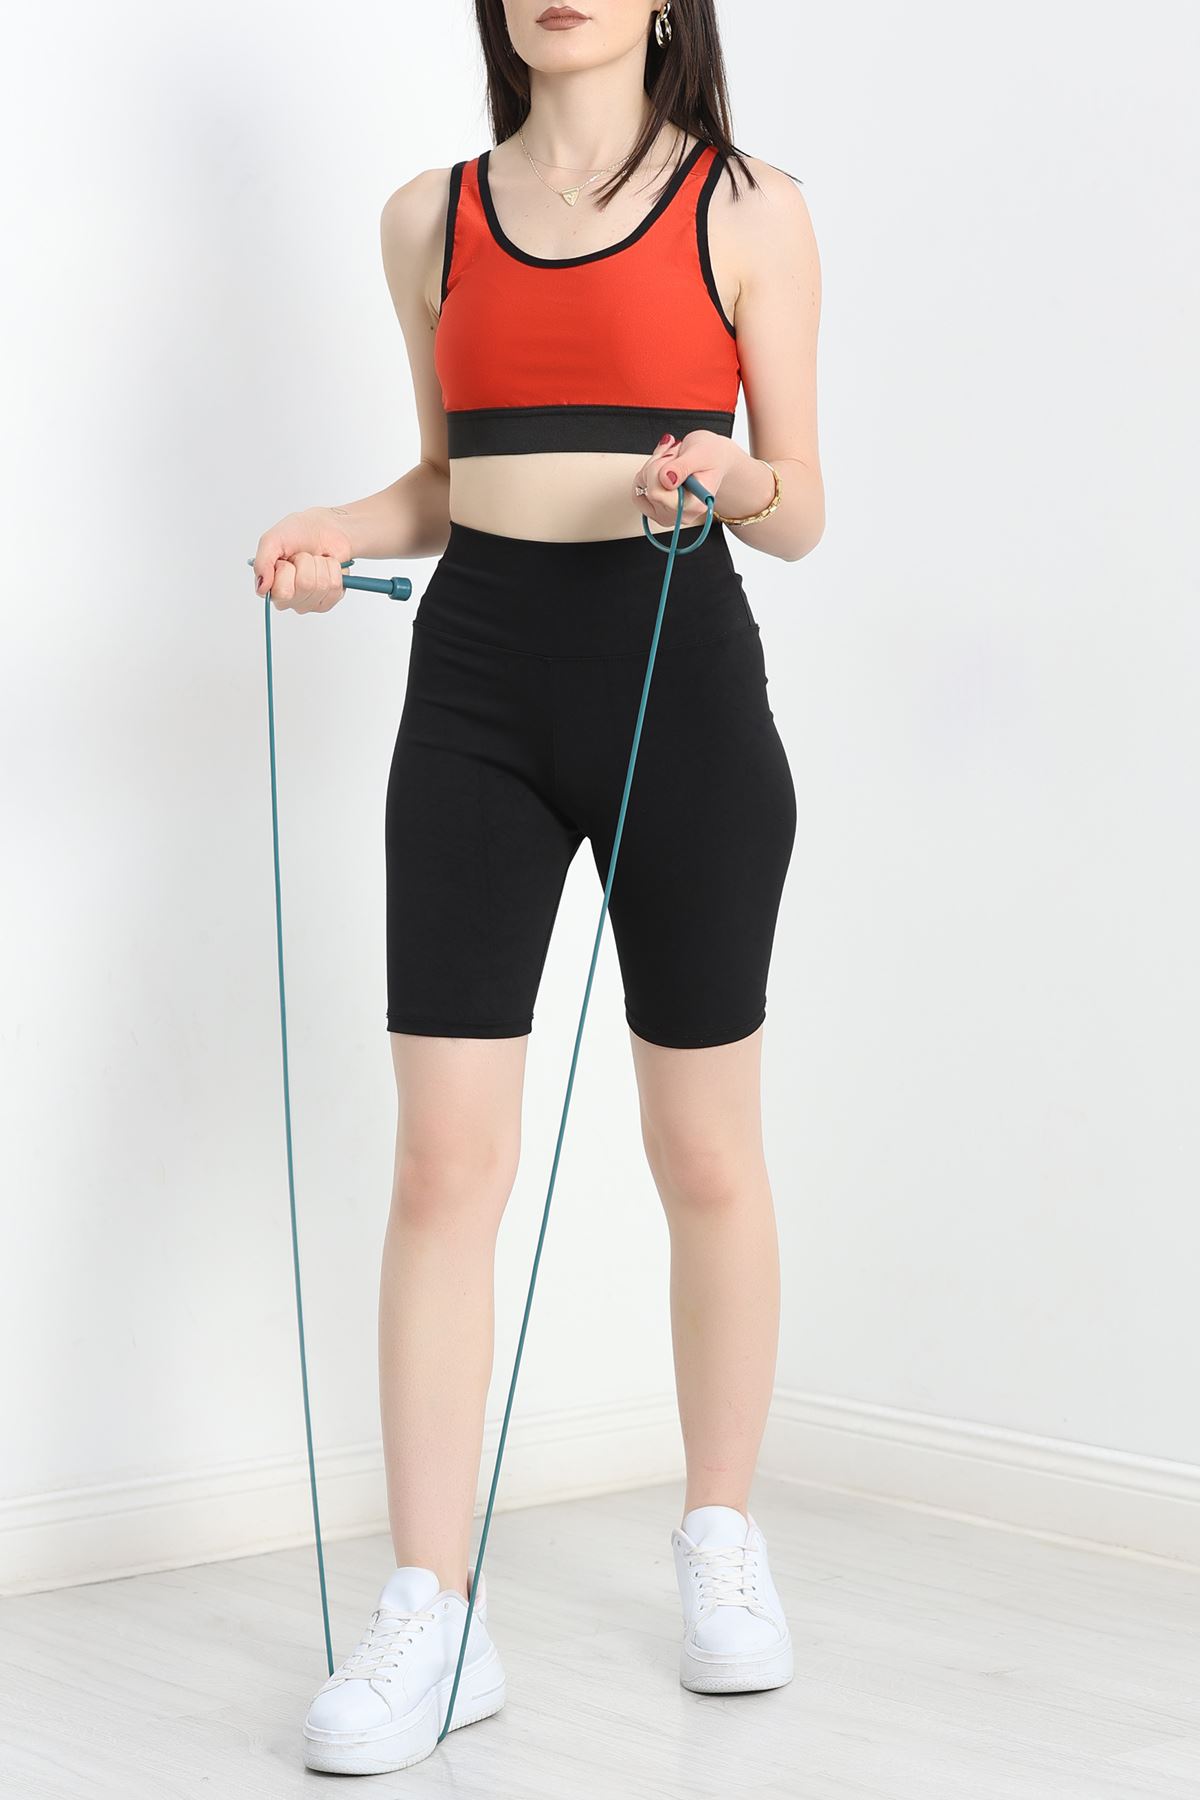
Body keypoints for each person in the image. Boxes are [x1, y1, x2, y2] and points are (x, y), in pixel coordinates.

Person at [252, 0, 823, 1777]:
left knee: (705, 1154)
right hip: (477, 694)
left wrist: (733, 473)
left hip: (680, 686)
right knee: (444, 1164)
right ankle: (433, 1609)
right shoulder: (429, 218)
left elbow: (802, 504)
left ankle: (718, 1536)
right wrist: (340, 529)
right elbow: (448, 480)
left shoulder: (748, 206)